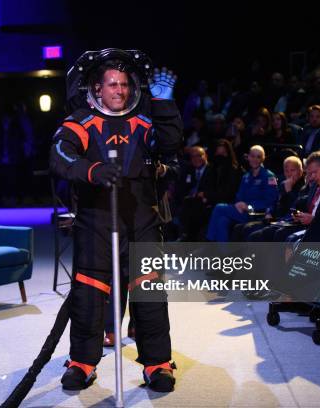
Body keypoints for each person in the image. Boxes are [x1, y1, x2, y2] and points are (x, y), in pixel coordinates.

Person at [50, 49, 182, 392]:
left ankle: (157, 363)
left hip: (142, 220)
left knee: (150, 294)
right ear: (96, 87)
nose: (119, 90)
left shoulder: (145, 120)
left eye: (124, 84)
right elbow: (60, 155)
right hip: (96, 221)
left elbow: (169, 146)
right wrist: (91, 170)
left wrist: (164, 106)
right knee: (88, 296)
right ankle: (81, 362)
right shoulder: (80, 121)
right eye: (112, 84)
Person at [206, 145, 279, 242]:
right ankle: (225, 254)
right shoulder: (246, 176)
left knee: (219, 207)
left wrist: (248, 205)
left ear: (263, 158)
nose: (255, 159)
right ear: (248, 157)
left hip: (257, 213)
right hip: (243, 212)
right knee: (222, 221)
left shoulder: (269, 176)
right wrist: (239, 204)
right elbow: (239, 196)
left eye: (258, 157)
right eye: (252, 156)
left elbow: (270, 201)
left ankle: (208, 241)